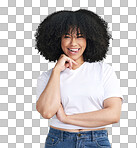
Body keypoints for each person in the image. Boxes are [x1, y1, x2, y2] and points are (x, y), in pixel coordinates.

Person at [35, 9, 124, 148]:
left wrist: (66, 118)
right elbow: (47, 111)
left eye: (79, 36)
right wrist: (57, 71)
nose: (73, 43)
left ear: (89, 39)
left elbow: (113, 115)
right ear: (58, 40)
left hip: (96, 141)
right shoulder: (48, 77)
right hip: (59, 141)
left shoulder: (103, 70)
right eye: (67, 36)